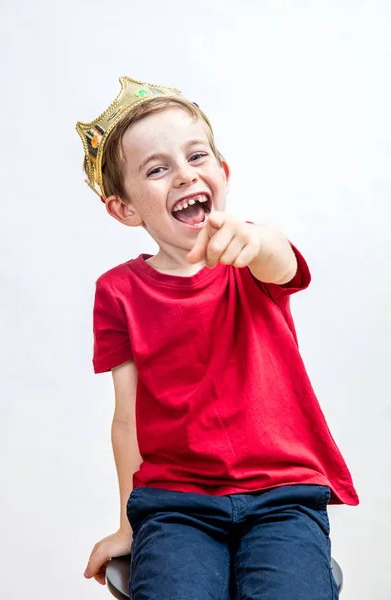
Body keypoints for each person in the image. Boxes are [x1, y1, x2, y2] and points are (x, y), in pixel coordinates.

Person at [76, 76, 358, 600]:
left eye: (196, 156)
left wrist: (256, 240)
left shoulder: (251, 257)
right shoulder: (117, 292)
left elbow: (282, 261)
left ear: (222, 173)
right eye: (157, 169)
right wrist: (127, 522)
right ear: (125, 209)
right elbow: (126, 417)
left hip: (283, 497)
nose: (184, 175)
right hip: (175, 504)